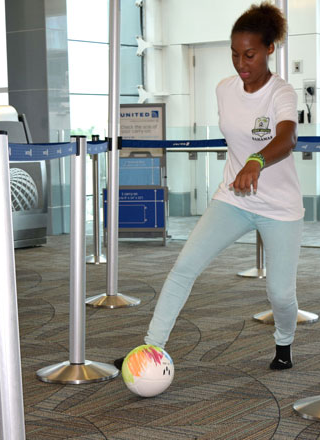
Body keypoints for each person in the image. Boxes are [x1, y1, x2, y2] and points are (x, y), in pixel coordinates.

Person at [117, 2, 302, 371]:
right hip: (232, 198)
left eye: (249, 54)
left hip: (280, 206)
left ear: (269, 50)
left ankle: (284, 343)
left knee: (281, 294)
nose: (240, 63)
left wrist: (256, 161)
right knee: (184, 267)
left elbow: (287, 137)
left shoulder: (282, 93)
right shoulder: (224, 89)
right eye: (234, 54)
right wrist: (243, 168)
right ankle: (150, 348)